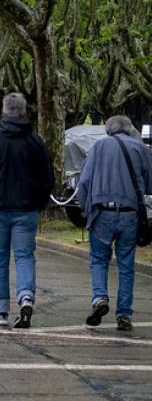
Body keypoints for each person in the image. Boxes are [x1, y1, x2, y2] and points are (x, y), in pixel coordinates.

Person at [0, 93, 54, 329]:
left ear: (3, 111)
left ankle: (0, 311)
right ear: (24, 112)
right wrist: (39, 201)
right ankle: (26, 296)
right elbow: (47, 177)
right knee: (25, 256)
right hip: (26, 209)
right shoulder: (35, 141)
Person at [77, 115, 152, 331]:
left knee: (99, 259)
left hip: (102, 211)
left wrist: (85, 208)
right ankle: (124, 314)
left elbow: (84, 181)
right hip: (129, 212)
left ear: (109, 130)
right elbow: (149, 182)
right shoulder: (139, 149)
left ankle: (100, 298)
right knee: (126, 264)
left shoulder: (98, 147)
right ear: (129, 129)